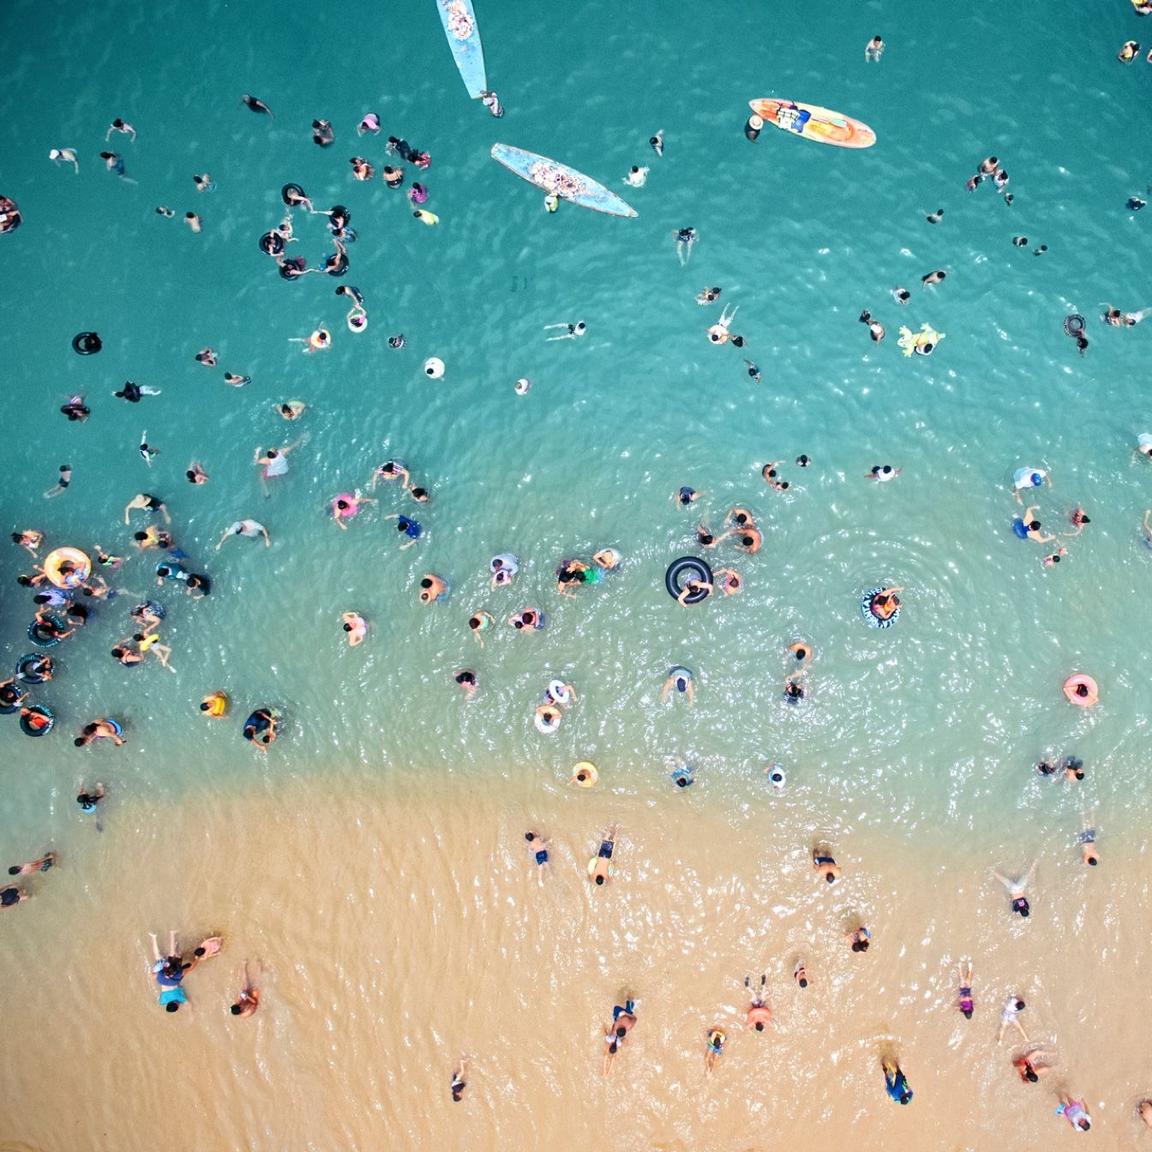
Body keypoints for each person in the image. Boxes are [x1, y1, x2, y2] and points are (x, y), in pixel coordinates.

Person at [603, 998, 638, 1073]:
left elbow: (623, 1039)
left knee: (629, 1010)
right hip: (626, 1017)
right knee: (626, 1011)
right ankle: (630, 1005)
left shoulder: (618, 1042)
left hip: (627, 1018)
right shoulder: (610, 1038)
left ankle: (631, 1005)